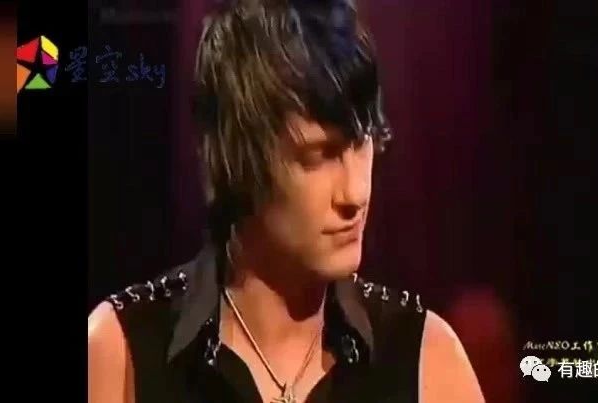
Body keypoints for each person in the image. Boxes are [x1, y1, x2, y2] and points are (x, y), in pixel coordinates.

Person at [87, 0, 484, 402]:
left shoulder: (426, 360)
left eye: (362, 143)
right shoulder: (123, 352)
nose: (356, 194)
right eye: (319, 156)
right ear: (239, 161)